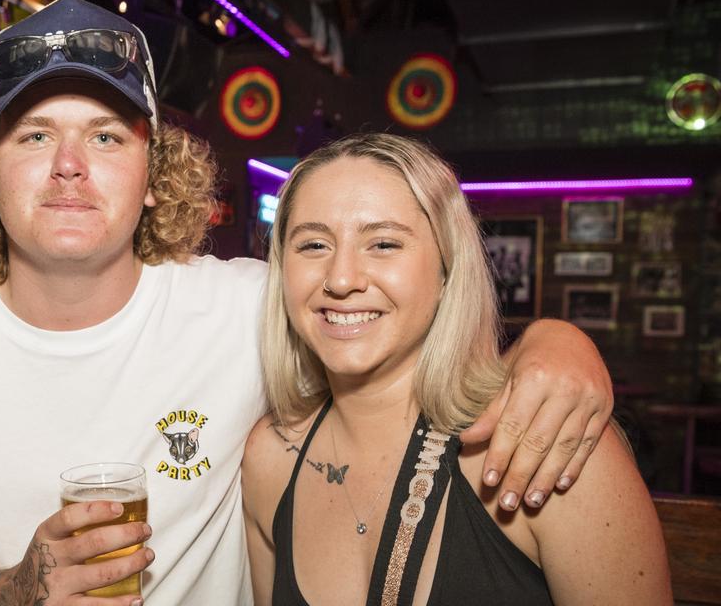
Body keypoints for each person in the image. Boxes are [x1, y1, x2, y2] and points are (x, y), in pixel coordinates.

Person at [0, 0, 615, 605]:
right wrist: (12, 590)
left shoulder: (251, 308)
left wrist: (556, 341)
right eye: (33, 135)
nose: (69, 164)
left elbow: (401, 310)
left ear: (152, 169)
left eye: (106, 136)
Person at [242, 133, 670, 605]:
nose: (342, 279)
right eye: (314, 245)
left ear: (447, 270)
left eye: (383, 243)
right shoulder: (269, 459)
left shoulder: (543, 445)